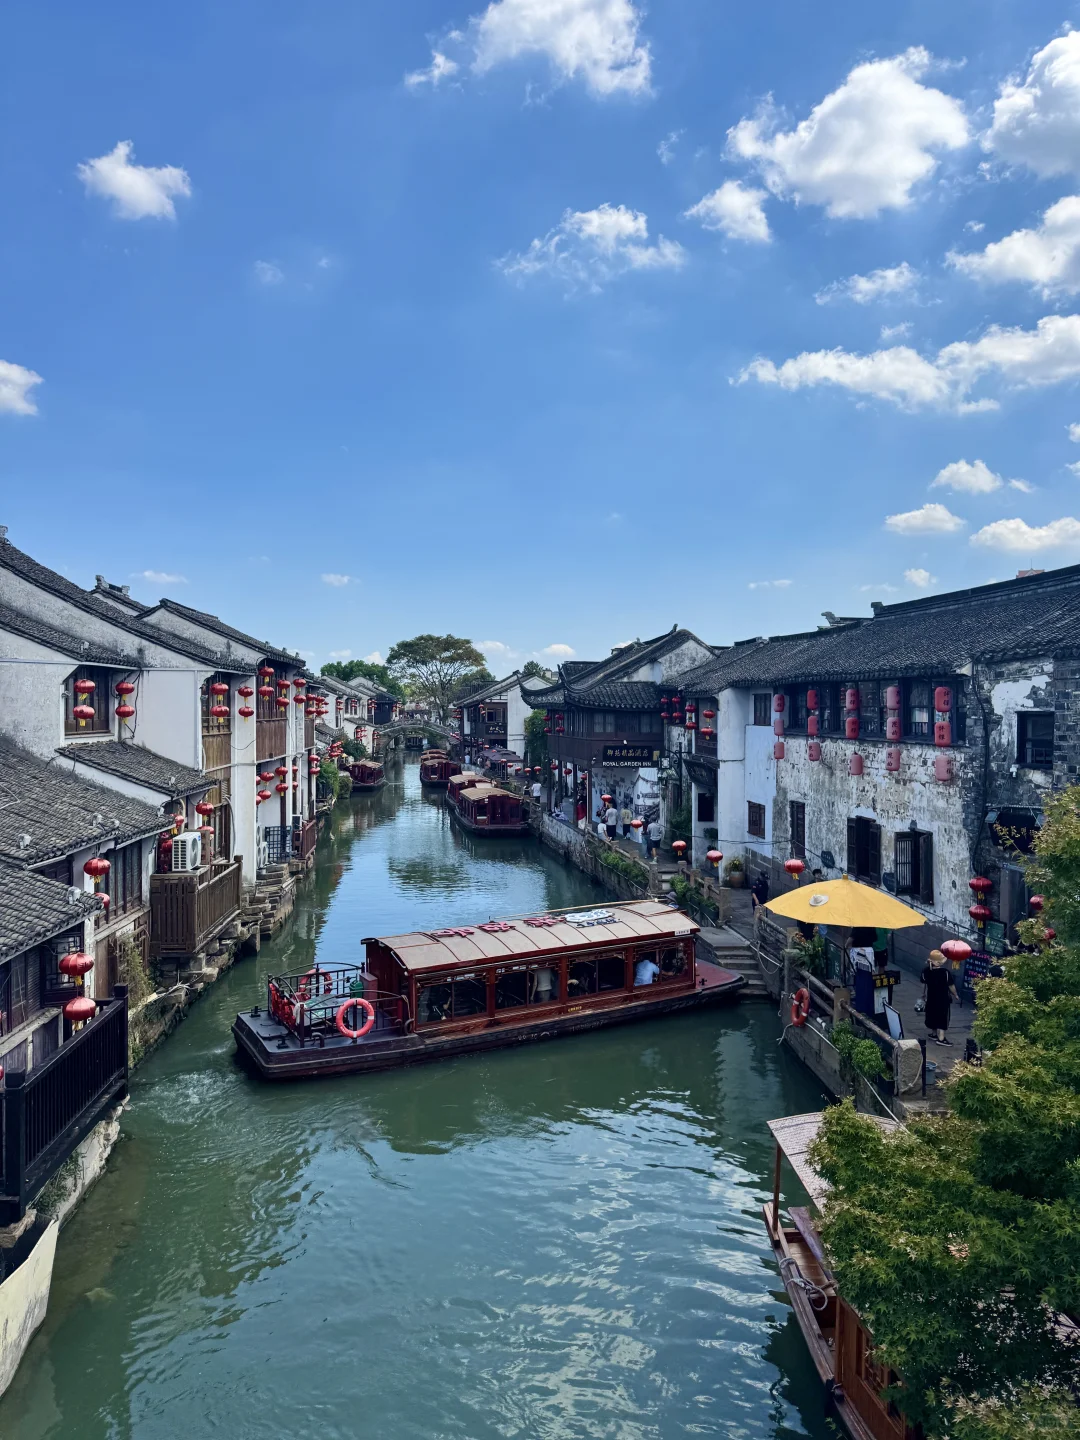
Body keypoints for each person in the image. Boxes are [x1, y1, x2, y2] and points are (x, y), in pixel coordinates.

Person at [920, 949, 960, 1045]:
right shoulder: (945, 972)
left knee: (932, 1014)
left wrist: (923, 994)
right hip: (943, 998)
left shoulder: (925, 971)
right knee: (943, 1016)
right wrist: (956, 994)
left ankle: (934, 1034)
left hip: (931, 997)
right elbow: (951, 986)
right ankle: (941, 1039)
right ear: (938, 962)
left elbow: (924, 984)